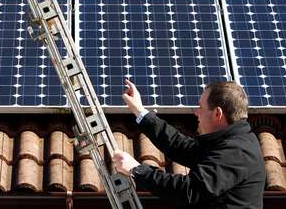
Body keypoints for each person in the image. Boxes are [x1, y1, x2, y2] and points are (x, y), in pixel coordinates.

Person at [112, 79, 265, 208]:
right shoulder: (229, 141)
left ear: (217, 113)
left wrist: (137, 171)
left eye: (201, 107)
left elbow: (189, 190)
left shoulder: (237, 151)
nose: (196, 112)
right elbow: (181, 147)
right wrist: (140, 112)